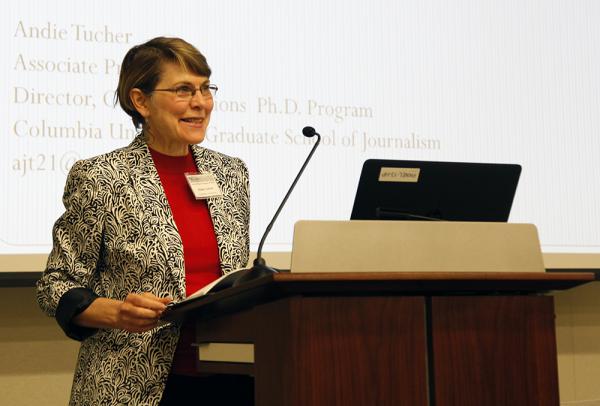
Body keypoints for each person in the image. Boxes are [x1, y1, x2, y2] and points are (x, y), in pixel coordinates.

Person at [36, 37, 254, 405]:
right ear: (141, 101)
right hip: (135, 383)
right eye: (184, 90)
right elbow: (56, 284)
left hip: (232, 377)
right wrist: (117, 312)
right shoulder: (102, 176)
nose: (201, 103)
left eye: (205, 89)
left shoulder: (231, 173)